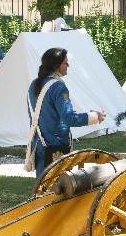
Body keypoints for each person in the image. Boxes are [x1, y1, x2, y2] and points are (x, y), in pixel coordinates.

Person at [25, 47, 106, 178]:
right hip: (54, 144)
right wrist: (95, 116)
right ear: (56, 66)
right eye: (65, 63)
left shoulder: (34, 84)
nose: (67, 65)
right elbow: (69, 118)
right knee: (59, 190)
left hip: (37, 142)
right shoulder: (58, 87)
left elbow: (46, 112)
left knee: (41, 188)